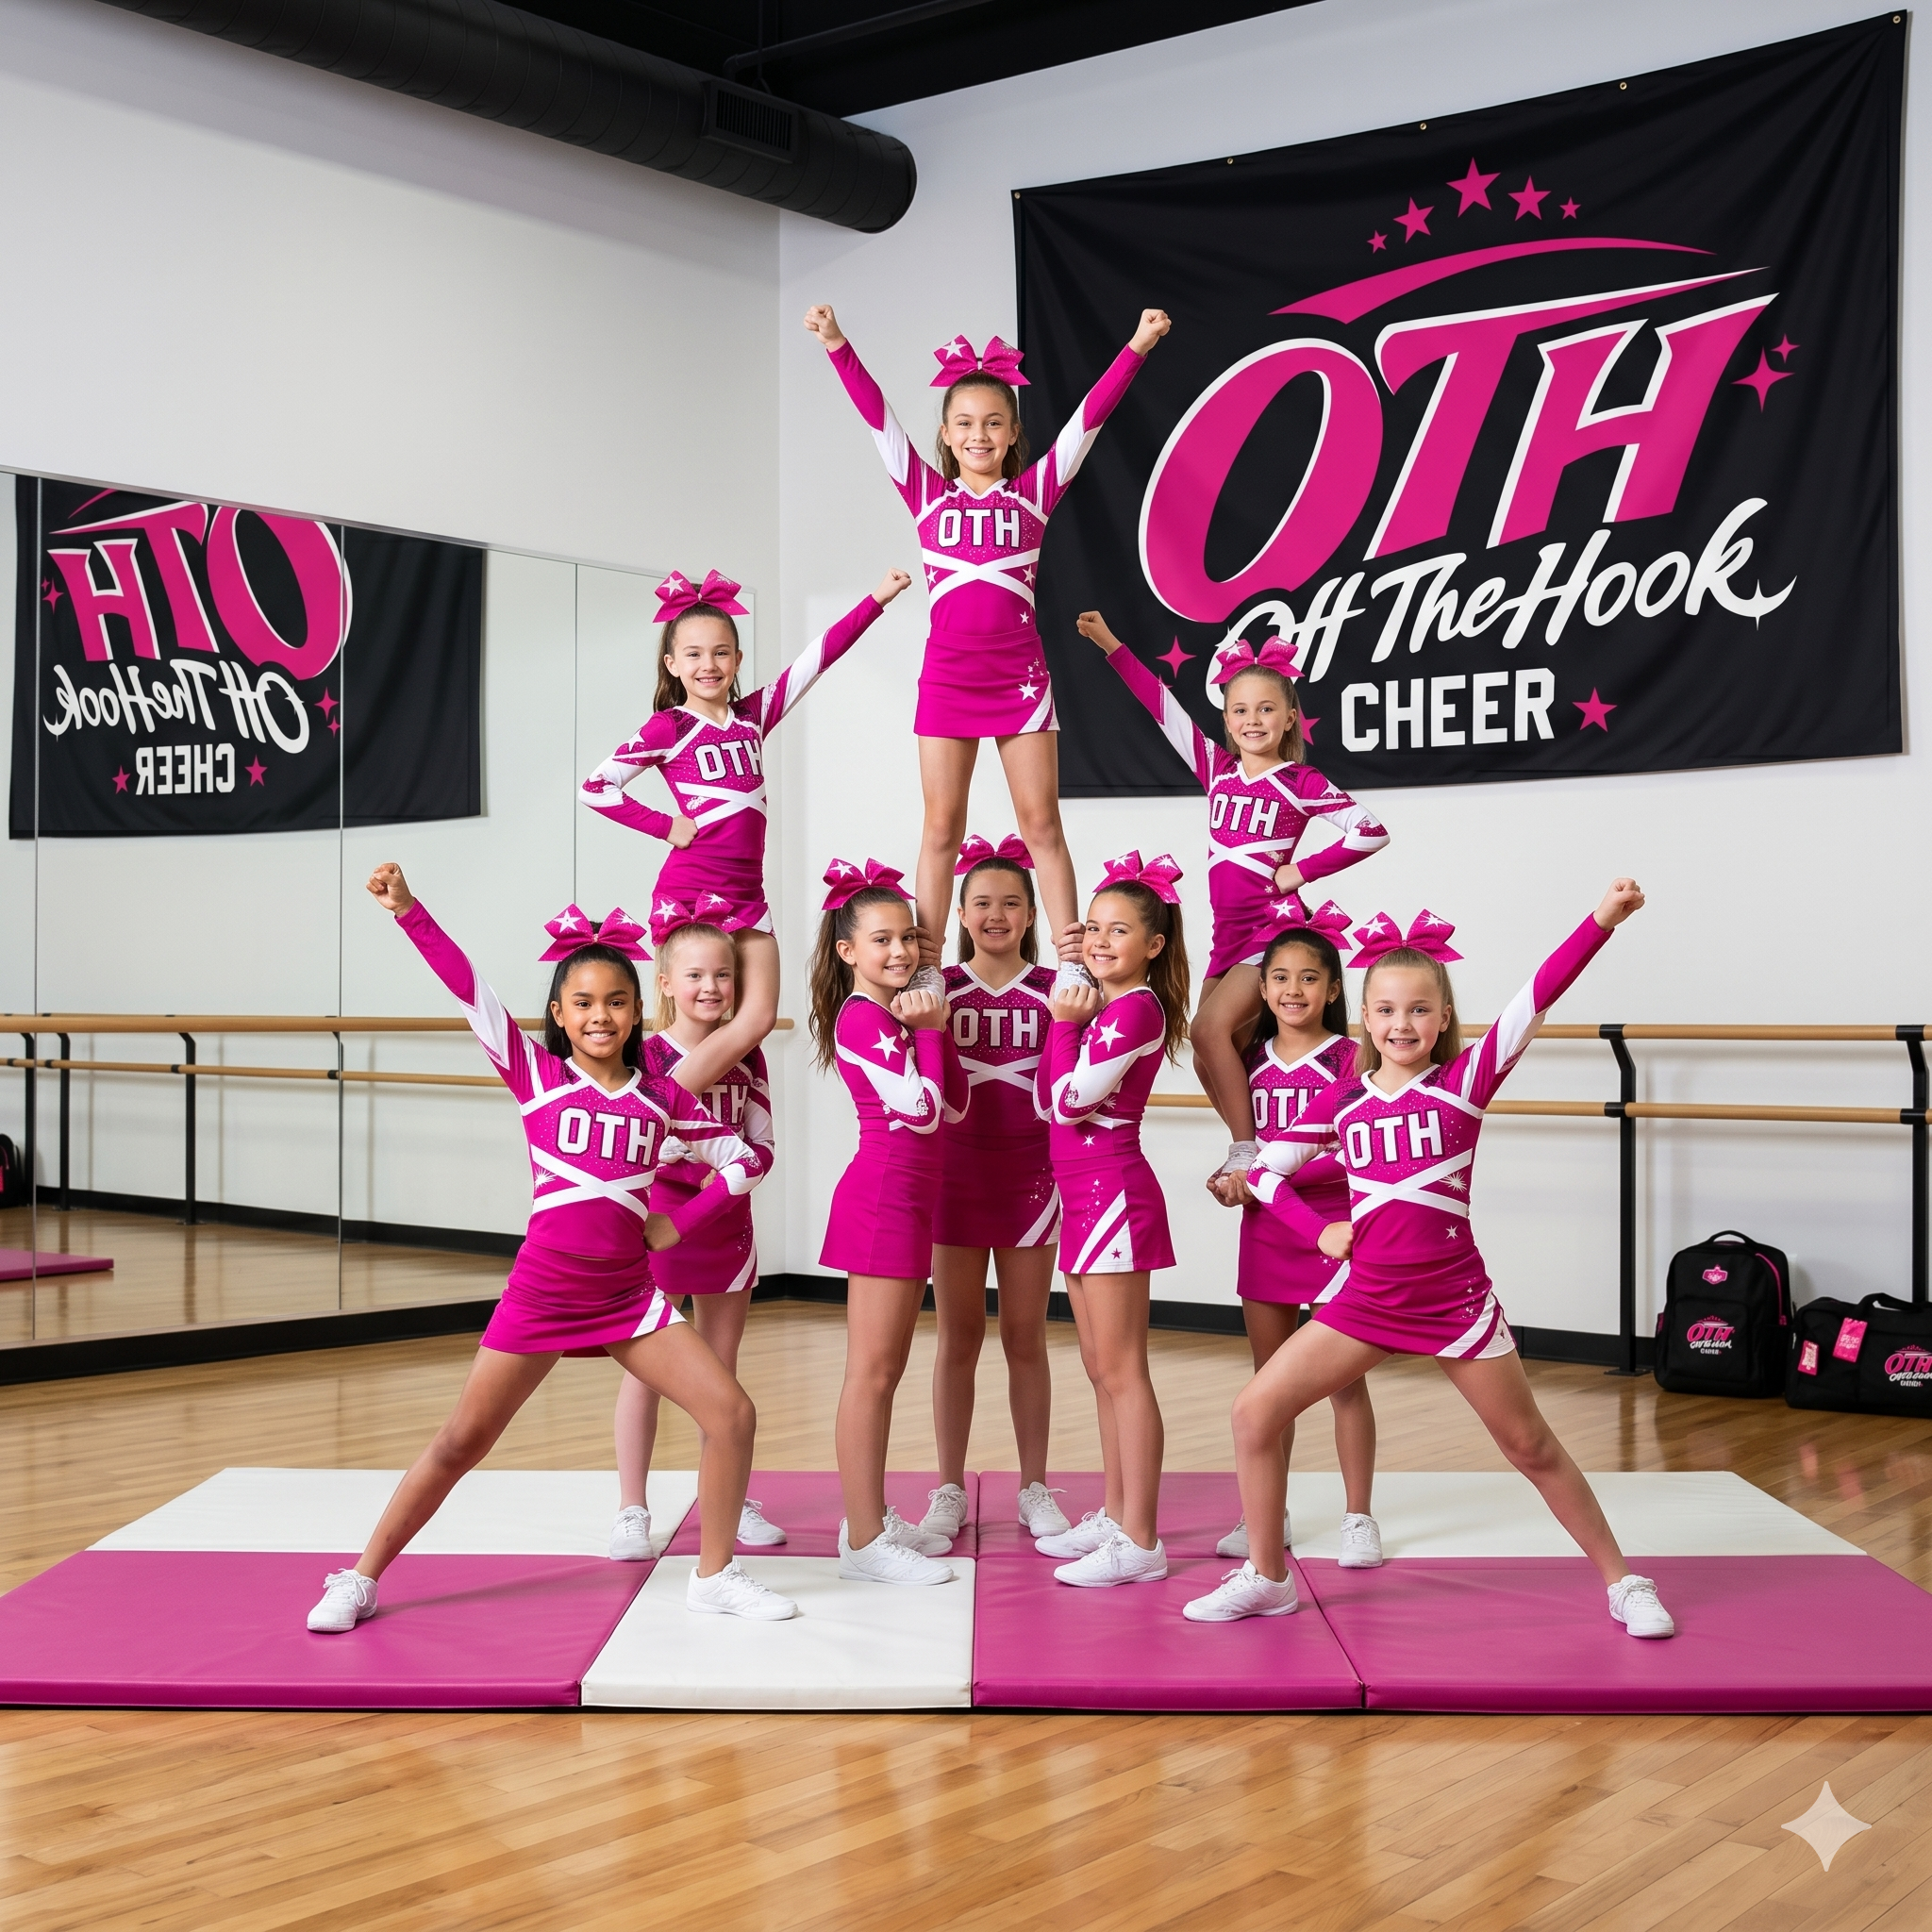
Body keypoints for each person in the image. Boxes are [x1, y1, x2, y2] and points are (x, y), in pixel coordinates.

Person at [307, 866, 795, 1634]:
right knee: (460, 1441)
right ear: (560, 1016)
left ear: (640, 1009)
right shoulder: (534, 1076)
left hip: (631, 1300)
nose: (600, 1016)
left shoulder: (664, 1097)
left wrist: (681, 1222)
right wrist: (410, 910)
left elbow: (752, 1158)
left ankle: (715, 1574)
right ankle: (361, 1576)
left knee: (732, 1413)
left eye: (616, 1001)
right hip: (542, 1296)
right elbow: (467, 986)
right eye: (583, 1004)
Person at [1183, 883, 1677, 1640]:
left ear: (1443, 1017)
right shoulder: (1343, 1103)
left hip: (1454, 1302)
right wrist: (1314, 1232)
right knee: (1255, 1410)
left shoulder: (1465, 1086)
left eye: (1419, 1009)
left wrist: (1602, 920)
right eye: (1386, 1010)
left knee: (1530, 1445)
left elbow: (1538, 992)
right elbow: (1265, 1172)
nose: (1402, 1023)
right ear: (1366, 1020)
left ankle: (1624, 1580)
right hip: (1367, 1301)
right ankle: (1268, 1576)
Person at [804, 303, 1171, 984]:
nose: (979, 434)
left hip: (1020, 679)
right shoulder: (926, 495)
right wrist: (836, 342)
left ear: (1012, 434)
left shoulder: (1034, 494)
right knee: (941, 828)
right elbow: (877, 417)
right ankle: (926, 967)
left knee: (1043, 825)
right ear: (946, 433)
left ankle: (1071, 965)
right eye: (965, 423)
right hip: (946, 679)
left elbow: (1090, 417)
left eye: (993, 423)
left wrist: (1138, 344)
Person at [1076, 610, 1389, 1181]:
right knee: (1206, 1054)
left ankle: (1249, 1153)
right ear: (1226, 718)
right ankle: (1272, 1148)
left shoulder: (1301, 782)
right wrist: (1109, 642)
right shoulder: (1218, 772)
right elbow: (1162, 706)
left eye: (1267, 708)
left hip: (1271, 934)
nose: (1253, 720)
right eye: (1240, 709)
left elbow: (1371, 831)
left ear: (1289, 716)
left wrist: (1303, 871)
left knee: (1207, 1031)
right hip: (1228, 939)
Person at [581, 564, 912, 1094]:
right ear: (672, 663)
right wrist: (666, 826)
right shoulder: (669, 726)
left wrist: (878, 598)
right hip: (689, 893)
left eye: (719, 652)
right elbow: (595, 787)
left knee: (755, 1021)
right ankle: (656, 1116)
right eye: (692, 654)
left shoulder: (752, 717)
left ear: (736, 659)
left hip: (748, 896)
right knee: (692, 1023)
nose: (707, 665)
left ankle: (668, 1109)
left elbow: (819, 658)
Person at [608, 906, 787, 1561]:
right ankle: (632, 1508)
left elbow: (762, 1149)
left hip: (725, 1227)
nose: (710, 988)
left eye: (724, 976)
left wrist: (714, 1170)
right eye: (695, 975)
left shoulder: (750, 1055)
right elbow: (631, 1144)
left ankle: (728, 1498)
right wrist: (694, 1158)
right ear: (663, 982)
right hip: (653, 1228)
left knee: (720, 1370)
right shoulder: (645, 1057)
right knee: (645, 1373)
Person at [1033, 852, 1191, 1589]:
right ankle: (1118, 1510)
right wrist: (1069, 1021)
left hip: (1114, 1193)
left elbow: (1070, 1102)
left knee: (1124, 1372)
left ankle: (1143, 1538)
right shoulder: (1104, 1004)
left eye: (1118, 930)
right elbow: (1048, 1099)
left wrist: (1064, 1025)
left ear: (1153, 945)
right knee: (1100, 1369)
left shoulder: (1136, 1007)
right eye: (1092, 928)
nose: (1099, 941)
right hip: (1085, 1194)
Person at [809, 858, 968, 1586]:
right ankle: (865, 1540)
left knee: (887, 1368)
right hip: (882, 1201)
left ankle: (869, 1516)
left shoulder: (897, 1012)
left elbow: (955, 1105)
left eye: (909, 938)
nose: (901, 952)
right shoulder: (862, 1014)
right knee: (871, 1374)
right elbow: (922, 1110)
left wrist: (934, 1026)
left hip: (913, 1197)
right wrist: (931, 1032)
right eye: (882, 940)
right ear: (848, 952)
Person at [1207, 918, 1382, 1569]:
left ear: (1333, 989)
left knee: (1344, 1386)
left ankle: (1359, 1516)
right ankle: (1266, 1512)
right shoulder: (1247, 1058)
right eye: (1279, 977)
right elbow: (1248, 1155)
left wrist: (1271, 1178)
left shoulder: (1352, 1058)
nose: (1293, 989)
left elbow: (1356, 1151)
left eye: (1309, 978)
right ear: (1261, 987)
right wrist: (1235, 1186)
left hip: (1336, 1231)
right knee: (1268, 1381)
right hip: (1267, 1234)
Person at [917, 835, 1070, 1550]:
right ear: (959, 911)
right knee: (957, 1338)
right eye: (982, 902)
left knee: (1024, 1338)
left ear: (1033, 912)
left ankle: (1034, 1486)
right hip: (954, 1179)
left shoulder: (1056, 991)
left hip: (1031, 1182)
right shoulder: (935, 987)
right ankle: (949, 1487)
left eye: (1012, 901)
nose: (997, 914)